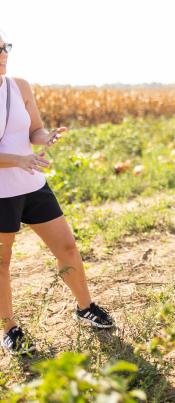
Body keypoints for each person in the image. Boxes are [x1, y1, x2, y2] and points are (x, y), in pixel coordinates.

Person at [0, 35, 114, 355]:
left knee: (66, 246)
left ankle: (85, 307)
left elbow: (33, 130)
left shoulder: (19, 86)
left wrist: (45, 136)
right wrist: (18, 160)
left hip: (33, 185)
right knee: (2, 263)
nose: (3, 54)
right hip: (1, 195)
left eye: (5, 47)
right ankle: (10, 329)